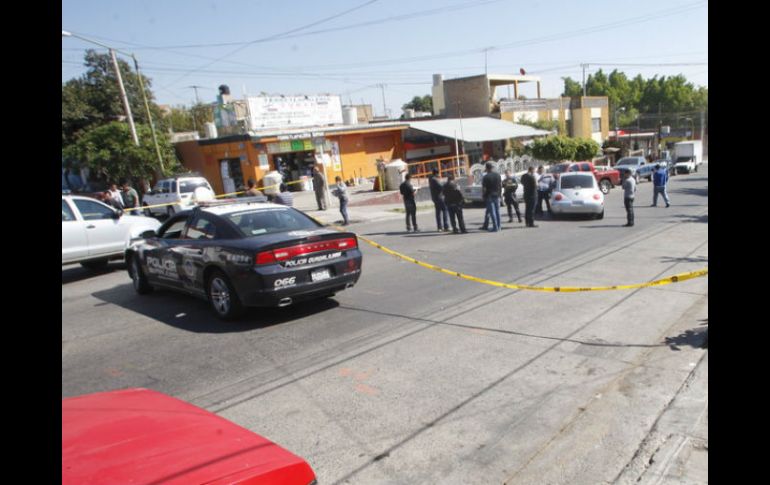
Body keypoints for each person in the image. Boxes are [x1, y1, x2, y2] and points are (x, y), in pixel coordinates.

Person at [481, 162, 502, 232]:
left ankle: (495, 227)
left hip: (489, 195)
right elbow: (500, 185)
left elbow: (484, 189)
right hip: (497, 195)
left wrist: (483, 196)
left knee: (492, 212)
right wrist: (500, 194)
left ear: (486, 168)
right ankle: (499, 226)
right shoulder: (498, 175)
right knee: (498, 211)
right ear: (492, 168)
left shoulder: (486, 177)